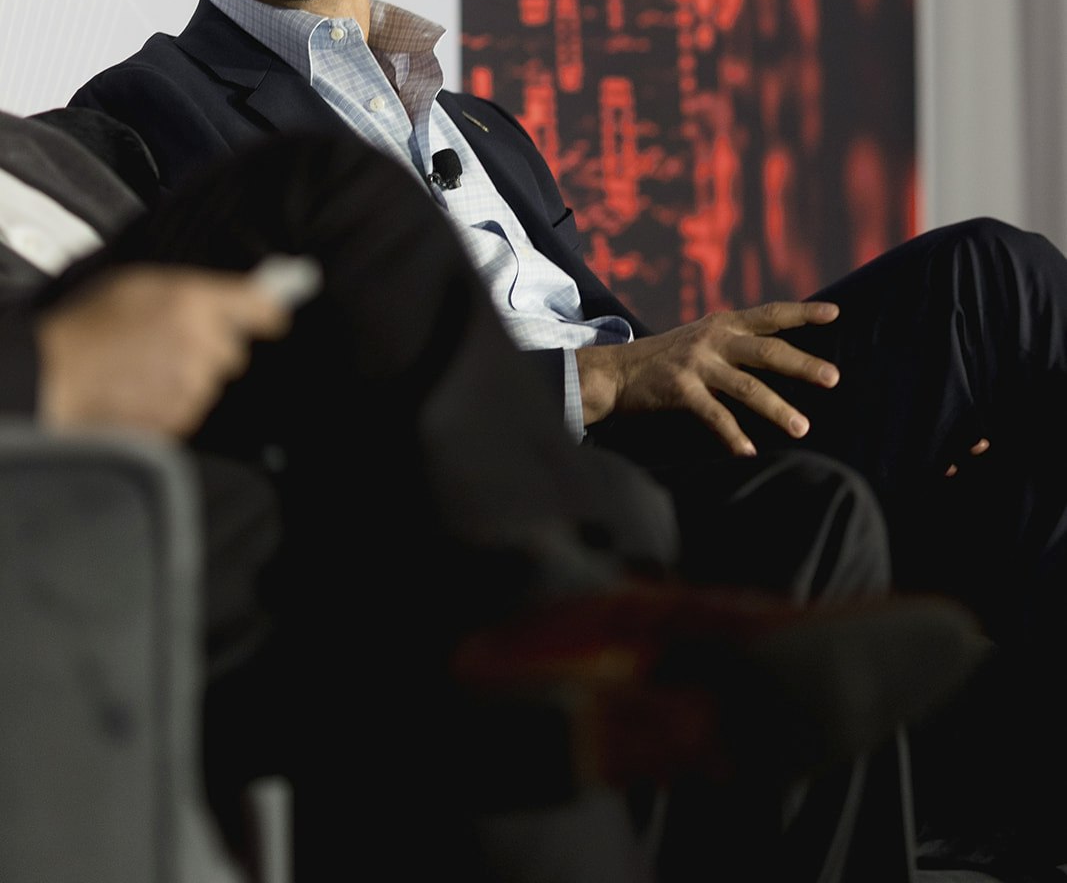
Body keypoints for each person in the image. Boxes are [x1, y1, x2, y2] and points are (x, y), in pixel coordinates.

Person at [68, 0, 1067, 874]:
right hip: (496, 505)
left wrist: (643, 370)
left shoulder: (478, 121)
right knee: (974, 307)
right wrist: (596, 382)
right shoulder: (147, 114)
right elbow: (243, 398)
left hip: (661, 445)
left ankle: (993, 824)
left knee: (1019, 468)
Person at [0, 104, 975, 883]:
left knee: (324, 187)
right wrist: (49, 368)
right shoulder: (151, 104)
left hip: (364, 446)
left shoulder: (66, 149)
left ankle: (555, 617)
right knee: (974, 296)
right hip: (84, 497)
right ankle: (556, 630)